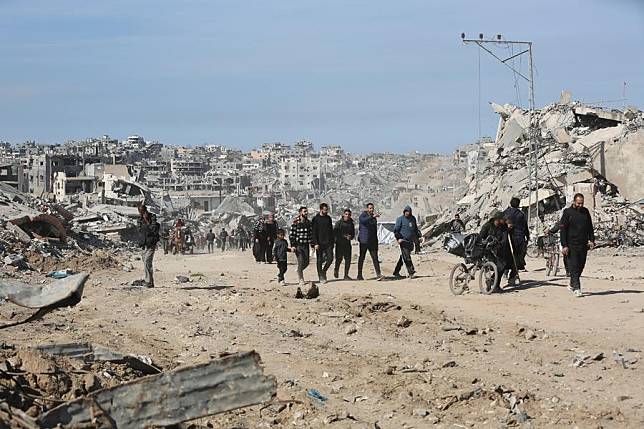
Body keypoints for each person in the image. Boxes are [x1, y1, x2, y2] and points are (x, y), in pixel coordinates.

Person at [560, 193, 595, 297]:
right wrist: (564, 245)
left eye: (582, 203)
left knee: (581, 265)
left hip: (583, 244)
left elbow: (590, 227)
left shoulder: (585, 212)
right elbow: (563, 230)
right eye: (578, 203)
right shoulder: (567, 213)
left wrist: (592, 240)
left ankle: (572, 283)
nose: (580, 205)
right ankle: (577, 288)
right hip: (571, 244)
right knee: (574, 266)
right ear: (574, 202)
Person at [479, 210, 510, 290]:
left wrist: (500, 244)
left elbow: (505, 239)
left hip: (497, 249)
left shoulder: (503, 227)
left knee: (503, 265)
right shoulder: (487, 226)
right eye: (502, 219)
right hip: (487, 250)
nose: (504, 221)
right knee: (492, 265)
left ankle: (495, 283)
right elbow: (481, 237)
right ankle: (490, 281)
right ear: (497, 219)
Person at [503, 197, 529, 279]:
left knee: (507, 255)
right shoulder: (520, 214)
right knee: (517, 257)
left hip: (506, 237)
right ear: (518, 204)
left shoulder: (505, 213)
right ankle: (512, 275)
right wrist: (527, 236)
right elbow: (525, 227)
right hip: (518, 238)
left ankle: (505, 272)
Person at [393, 206, 422, 278]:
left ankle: (396, 271)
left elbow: (415, 229)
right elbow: (396, 230)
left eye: (408, 211)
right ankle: (411, 272)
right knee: (407, 257)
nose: (407, 213)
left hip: (410, 241)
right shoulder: (400, 219)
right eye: (406, 211)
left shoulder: (413, 219)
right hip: (403, 241)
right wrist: (398, 238)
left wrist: (419, 236)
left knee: (404, 256)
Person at [357, 203, 383, 281]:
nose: (371, 210)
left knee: (375, 258)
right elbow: (363, 221)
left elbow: (374, 230)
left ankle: (378, 274)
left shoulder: (373, 218)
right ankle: (359, 275)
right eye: (370, 208)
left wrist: (376, 241)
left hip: (372, 241)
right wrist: (372, 216)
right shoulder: (363, 215)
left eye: (372, 208)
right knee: (362, 258)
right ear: (367, 209)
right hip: (364, 241)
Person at [290, 206, 313, 286]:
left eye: (306, 211)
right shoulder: (295, 222)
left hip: (306, 245)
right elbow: (292, 235)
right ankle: (301, 279)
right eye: (304, 211)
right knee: (301, 261)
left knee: (306, 262)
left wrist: (312, 244)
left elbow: (310, 234)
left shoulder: (308, 223)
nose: (306, 213)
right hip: (298, 245)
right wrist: (293, 245)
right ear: (300, 213)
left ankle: (299, 271)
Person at [311, 203, 334, 284]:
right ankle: (320, 276)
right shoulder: (315, 219)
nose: (326, 211)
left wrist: (332, 242)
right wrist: (315, 243)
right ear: (321, 209)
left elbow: (331, 230)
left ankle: (324, 271)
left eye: (327, 209)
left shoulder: (328, 218)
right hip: (319, 243)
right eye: (325, 210)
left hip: (328, 242)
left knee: (330, 258)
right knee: (319, 260)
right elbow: (313, 232)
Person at [138, 204, 159, 288]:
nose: (141, 213)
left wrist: (147, 220)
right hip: (144, 243)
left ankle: (148, 281)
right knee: (146, 263)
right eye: (140, 212)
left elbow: (153, 228)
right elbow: (140, 230)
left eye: (142, 211)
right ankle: (150, 281)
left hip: (151, 243)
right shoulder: (139, 219)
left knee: (147, 261)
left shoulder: (152, 217)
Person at [333, 209, 355, 280]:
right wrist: (344, 236)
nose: (347, 216)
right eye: (346, 214)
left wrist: (350, 237)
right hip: (339, 244)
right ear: (343, 215)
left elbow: (353, 234)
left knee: (348, 260)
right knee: (339, 259)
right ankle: (336, 270)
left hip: (347, 244)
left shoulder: (351, 223)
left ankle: (346, 275)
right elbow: (335, 233)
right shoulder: (339, 223)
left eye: (348, 214)